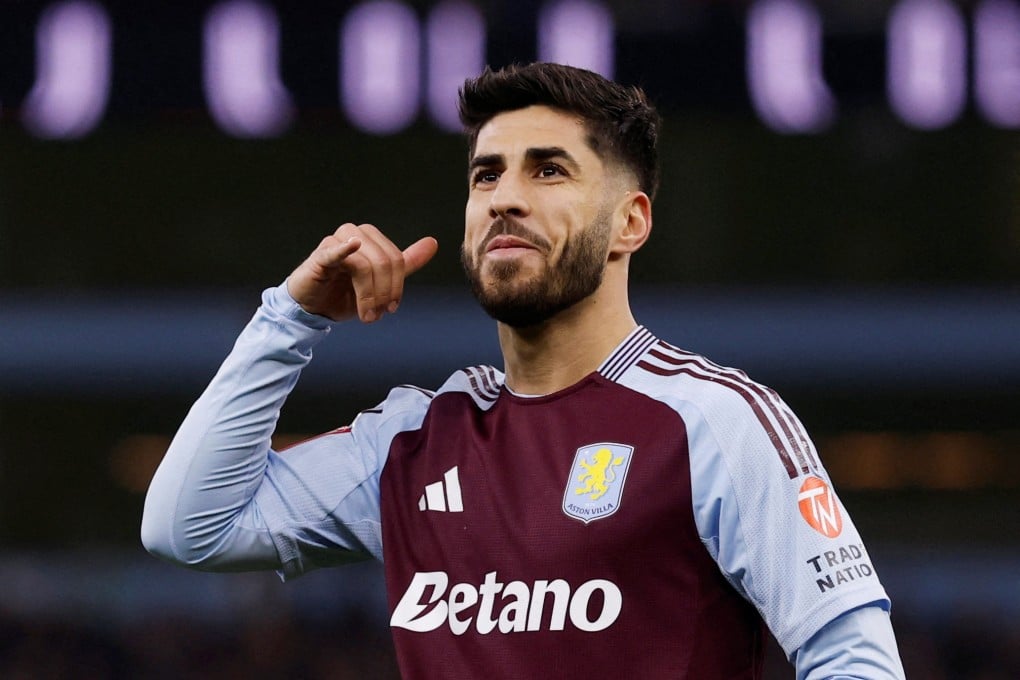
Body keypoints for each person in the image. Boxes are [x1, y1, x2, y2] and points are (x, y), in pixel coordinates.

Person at [142, 62, 905, 679]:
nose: (505, 198)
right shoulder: (414, 439)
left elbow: (854, 659)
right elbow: (191, 529)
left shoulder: (713, 419)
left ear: (629, 222)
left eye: (548, 172)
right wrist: (288, 320)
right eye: (486, 175)